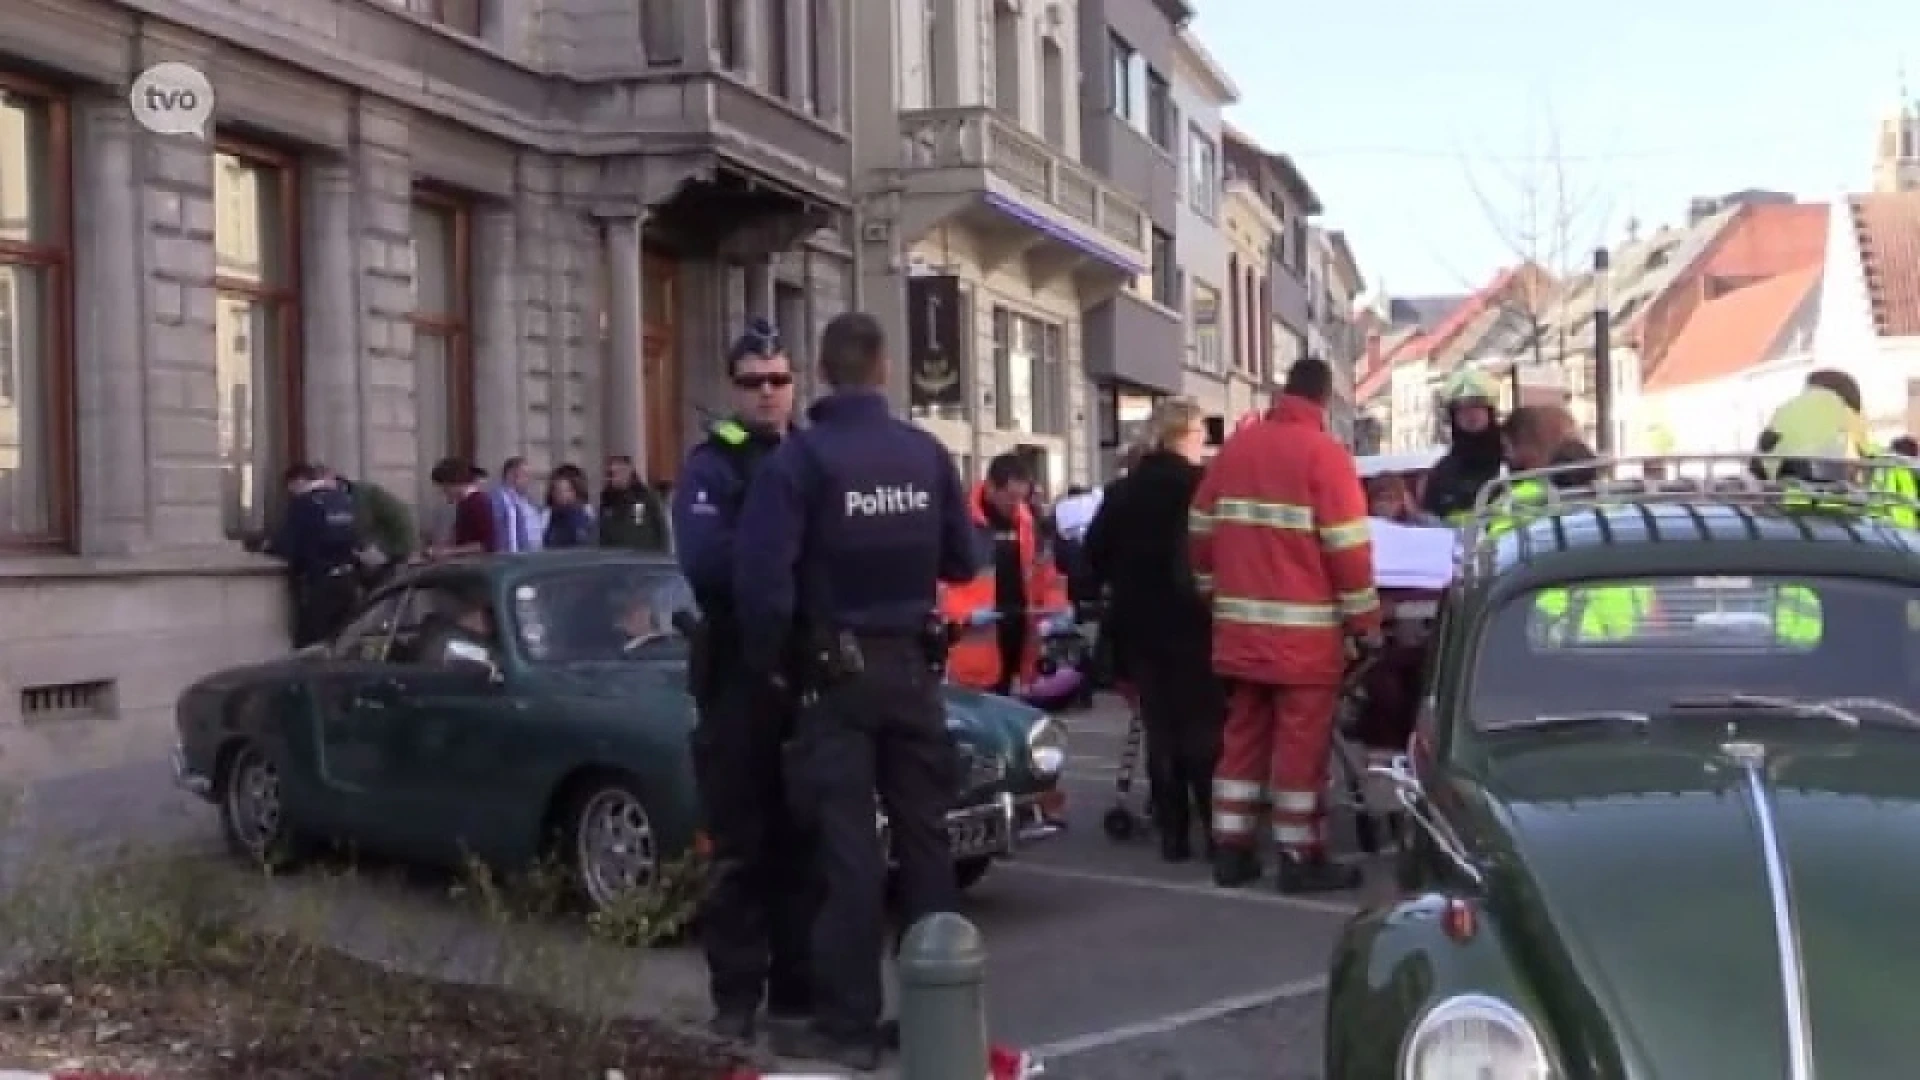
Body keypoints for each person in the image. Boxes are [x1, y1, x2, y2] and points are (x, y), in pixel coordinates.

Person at [733, 311, 978, 1069]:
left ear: (823, 370)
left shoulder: (799, 464)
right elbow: (966, 559)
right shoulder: (925, 454)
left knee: (848, 854)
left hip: (833, 675)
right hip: (911, 668)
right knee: (927, 841)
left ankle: (848, 1025)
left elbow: (762, 583)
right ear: (883, 369)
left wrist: (772, 663)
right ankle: (939, 1012)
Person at [669, 318, 816, 1045]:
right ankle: (735, 998)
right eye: (754, 382)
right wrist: (785, 564)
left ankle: (797, 993)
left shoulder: (813, 457)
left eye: (779, 380)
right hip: (735, 675)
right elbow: (708, 563)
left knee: (804, 839)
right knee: (736, 843)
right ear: (734, 389)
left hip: (807, 669)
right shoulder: (711, 466)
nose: (767, 394)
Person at [1189, 357, 1380, 894]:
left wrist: (1212, 593)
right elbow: (1346, 548)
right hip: (1305, 638)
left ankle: (1232, 847)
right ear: (1322, 401)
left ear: (1282, 393)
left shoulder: (1235, 451)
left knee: (1243, 735)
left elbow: (1200, 531)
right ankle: (1300, 855)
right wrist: (1365, 621)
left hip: (1240, 630)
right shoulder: (1325, 456)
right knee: (1301, 746)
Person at [1084, 398, 1222, 863]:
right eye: (1201, 433)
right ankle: (1215, 830)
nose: (1204, 442)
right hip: (1194, 623)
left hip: (1139, 629)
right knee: (1203, 729)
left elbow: (1091, 558)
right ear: (1182, 434)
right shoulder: (1201, 490)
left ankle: (1173, 835)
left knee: (1161, 729)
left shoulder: (1123, 492)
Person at [1491, 406, 1655, 642]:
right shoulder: (1613, 499)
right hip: (1634, 643)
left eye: (1508, 447)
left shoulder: (1519, 504)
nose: (1506, 457)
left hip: (1559, 641)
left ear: (1529, 447)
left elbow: (1498, 568)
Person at [938, 453, 1068, 695]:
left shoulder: (1028, 523)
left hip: (1018, 641)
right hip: (975, 648)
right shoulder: (960, 526)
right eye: (1010, 498)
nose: (1015, 505)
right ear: (990, 487)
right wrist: (963, 616)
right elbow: (940, 584)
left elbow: (1047, 574)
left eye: (1021, 498)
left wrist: (1055, 608)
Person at [265, 463, 364, 648]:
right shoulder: (344, 500)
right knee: (343, 642)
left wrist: (268, 547)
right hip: (348, 581)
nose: (291, 494)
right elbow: (357, 537)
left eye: (290, 488)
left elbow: (289, 545)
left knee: (312, 645)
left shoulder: (304, 504)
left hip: (320, 583)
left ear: (298, 482)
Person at [1421, 370, 1506, 522]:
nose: (1470, 414)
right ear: (1453, 417)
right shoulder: (1441, 472)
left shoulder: (1512, 457)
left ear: (1490, 410)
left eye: (1476, 405)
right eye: (1461, 409)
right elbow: (1432, 522)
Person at [427, 457, 498, 557]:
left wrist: (449, 551)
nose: (443, 491)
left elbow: (487, 545)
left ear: (456, 482)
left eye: (444, 486)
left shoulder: (479, 503)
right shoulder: (464, 504)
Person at [599, 454, 671, 551]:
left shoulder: (645, 497)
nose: (617, 477)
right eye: (613, 473)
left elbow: (661, 527)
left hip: (645, 555)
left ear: (630, 472)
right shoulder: (607, 500)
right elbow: (602, 531)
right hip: (616, 557)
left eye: (620, 472)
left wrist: (663, 553)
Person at [543, 465, 597, 548]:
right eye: (555, 490)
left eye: (565, 490)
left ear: (576, 491)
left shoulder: (585, 519)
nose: (558, 495)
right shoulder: (550, 516)